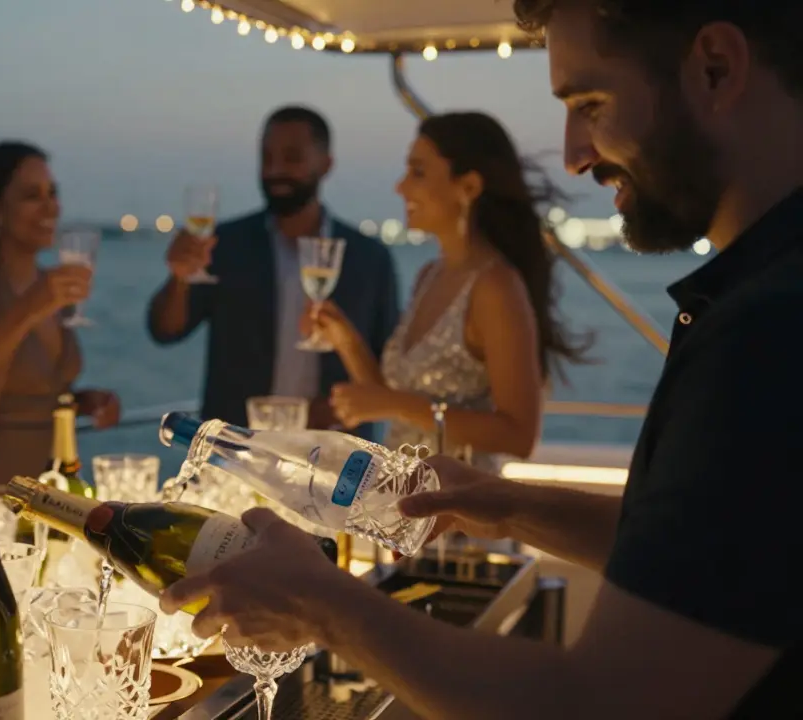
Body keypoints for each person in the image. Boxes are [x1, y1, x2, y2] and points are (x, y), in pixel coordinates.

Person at [160, 0, 803, 716]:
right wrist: (508, 505)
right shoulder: (760, 304)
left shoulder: (769, 332)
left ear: (715, 67)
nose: (573, 155)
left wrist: (324, 608)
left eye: (590, 102)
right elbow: (710, 553)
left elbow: (603, 704)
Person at [308, 112, 592, 472]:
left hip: (462, 514)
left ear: (469, 187)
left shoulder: (495, 287)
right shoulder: (430, 275)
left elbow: (519, 435)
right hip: (405, 509)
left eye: (418, 172)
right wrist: (345, 339)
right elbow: (391, 401)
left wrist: (394, 404)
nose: (401, 187)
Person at [146, 105, 400, 438]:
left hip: (337, 457)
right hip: (236, 453)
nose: (275, 169)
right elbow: (165, 331)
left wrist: (343, 408)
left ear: (326, 164)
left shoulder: (368, 257)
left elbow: (391, 371)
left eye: (292, 157)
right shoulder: (226, 245)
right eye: (267, 158)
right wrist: (179, 277)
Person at [0, 141, 120, 487]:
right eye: (33, 196)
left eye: (53, 193)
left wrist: (81, 401)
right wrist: (30, 308)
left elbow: (36, 395)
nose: (51, 207)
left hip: (51, 495)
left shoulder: (50, 289)